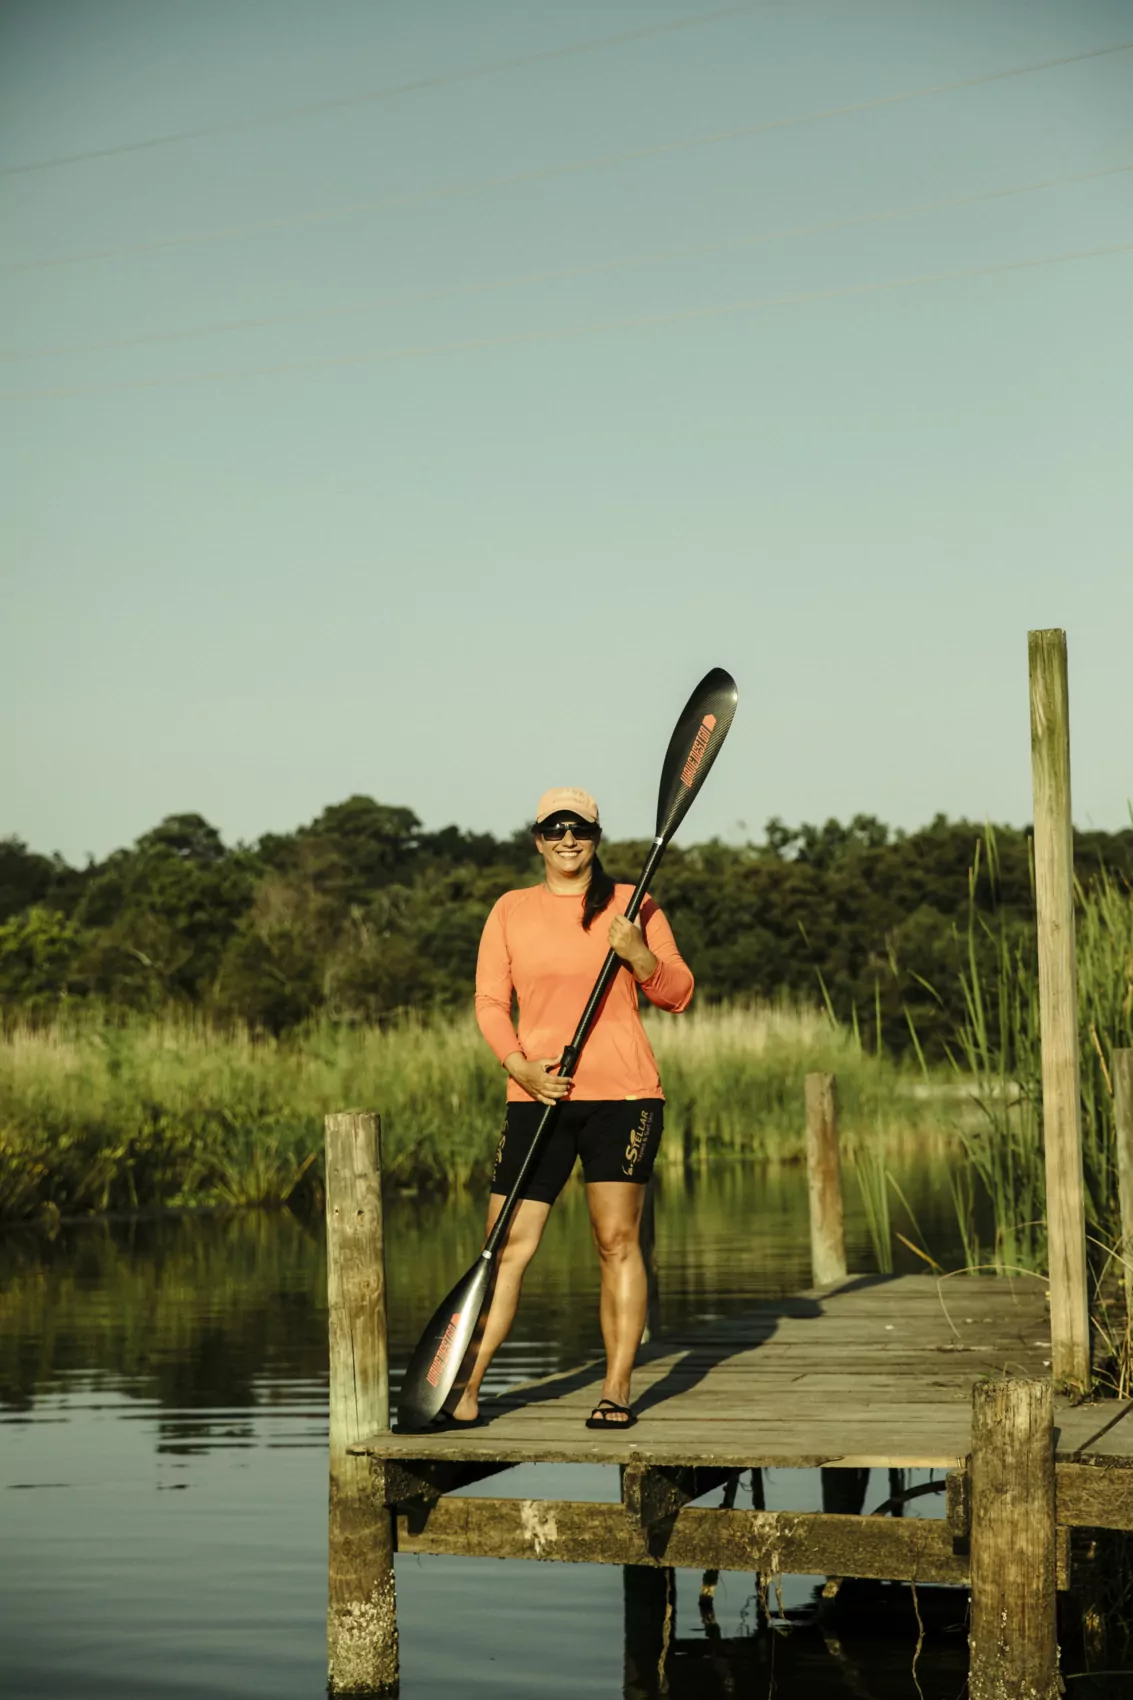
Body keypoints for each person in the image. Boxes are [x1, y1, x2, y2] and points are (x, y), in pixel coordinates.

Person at [449, 786, 694, 1431]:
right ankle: (466, 1386)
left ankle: (616, 1389)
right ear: (537, 838)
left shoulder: (633, 905)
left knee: (616, 1243)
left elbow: (679, 992)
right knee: (505, 1248)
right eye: (554, 829)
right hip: (537, 1097)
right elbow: (489, 1003)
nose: (567, 840)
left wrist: (640, 955)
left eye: (579, 830)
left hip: (624, 1098)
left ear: (595, 836)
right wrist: (518, 1066)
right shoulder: (510, 910)